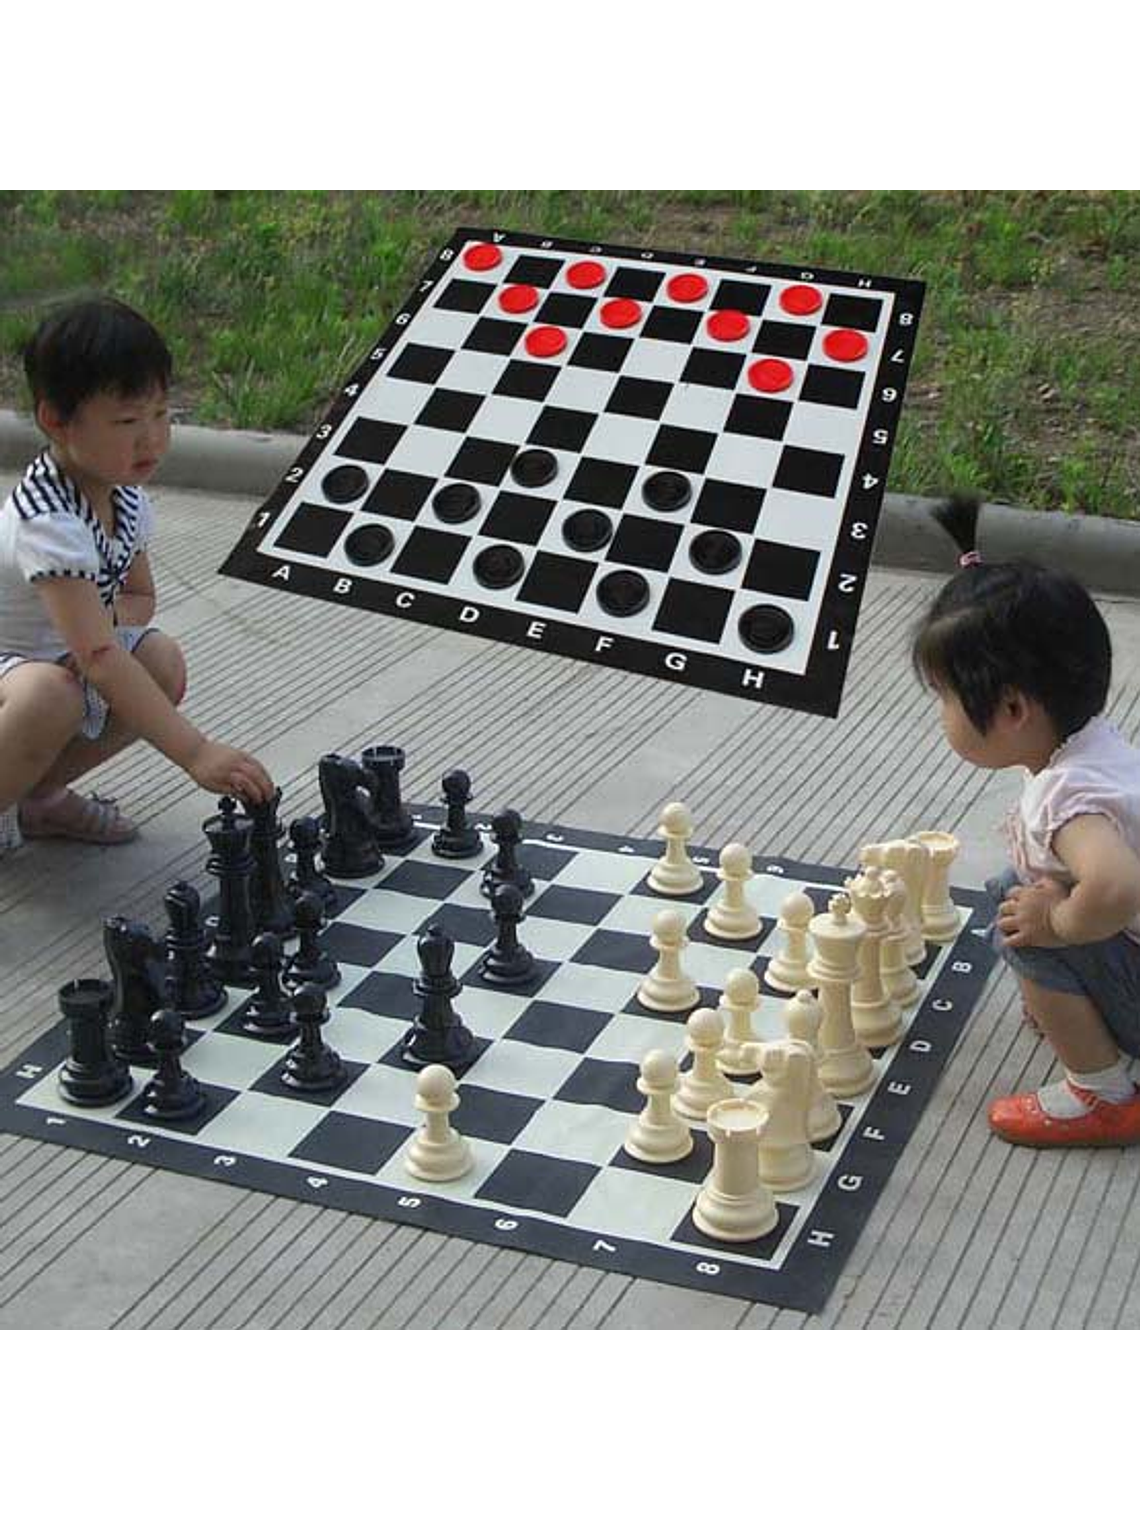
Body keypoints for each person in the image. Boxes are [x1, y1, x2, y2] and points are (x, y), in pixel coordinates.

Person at [0, 298, 275, 856]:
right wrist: (195, 752)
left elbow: (136, 595)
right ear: (56, 421)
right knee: (51, 694)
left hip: (56, 660)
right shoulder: (47, 521)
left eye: (161, 414)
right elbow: (100, 657)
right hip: (14, 668)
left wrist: (94, 640)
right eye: (127, 421)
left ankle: (39, 797)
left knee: (159, 661)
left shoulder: (123, 496)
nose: (151, 438)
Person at [914, 497, 1140, 1148]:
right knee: (1018, 889)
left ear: (1012, 710)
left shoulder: (1066, 798)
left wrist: (1057, 926)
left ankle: (1102, 1095)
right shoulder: (1095, 745)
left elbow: (1117, 886)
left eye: (946, 698)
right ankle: (1078, 1006)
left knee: (1022, 928)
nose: (943, 716)